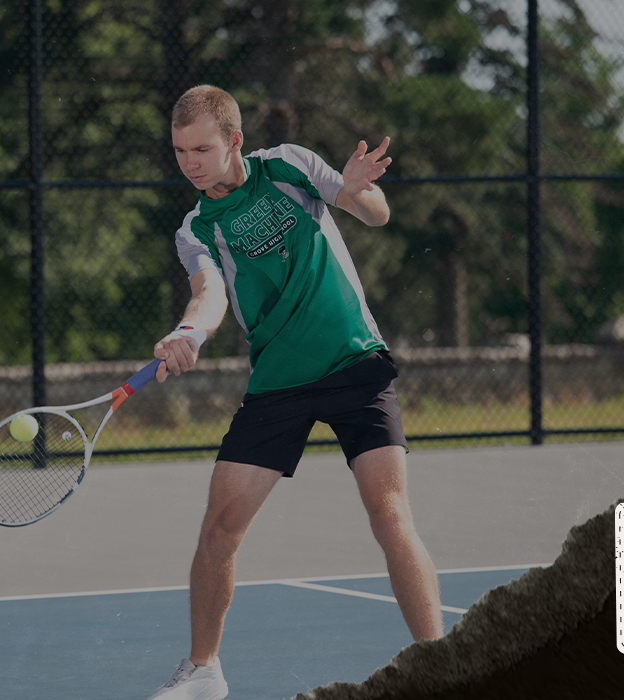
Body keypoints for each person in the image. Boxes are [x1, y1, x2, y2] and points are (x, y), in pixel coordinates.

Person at [147, 85, 442, 700]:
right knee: (219, 530)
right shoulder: (196, 226)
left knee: (390, 517)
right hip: (279, 380)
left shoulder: (289, 165)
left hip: (354, 362)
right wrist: (187, 333)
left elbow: (375, 214)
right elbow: (209, 295)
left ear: (234, 141)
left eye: (201, 148)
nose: (189, 163)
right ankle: (203, 672)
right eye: (179, 151)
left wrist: (359, 188)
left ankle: (442, 666)